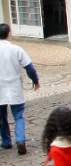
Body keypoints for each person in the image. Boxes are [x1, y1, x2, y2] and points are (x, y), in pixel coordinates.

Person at [0, 23, 39, 154]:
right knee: (18, 116)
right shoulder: (16, 49)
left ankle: (6, 141)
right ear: (9, 34)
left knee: (1, 117)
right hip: (14, 86)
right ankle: (20, 139)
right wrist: (35, 81)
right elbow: (29, 68)